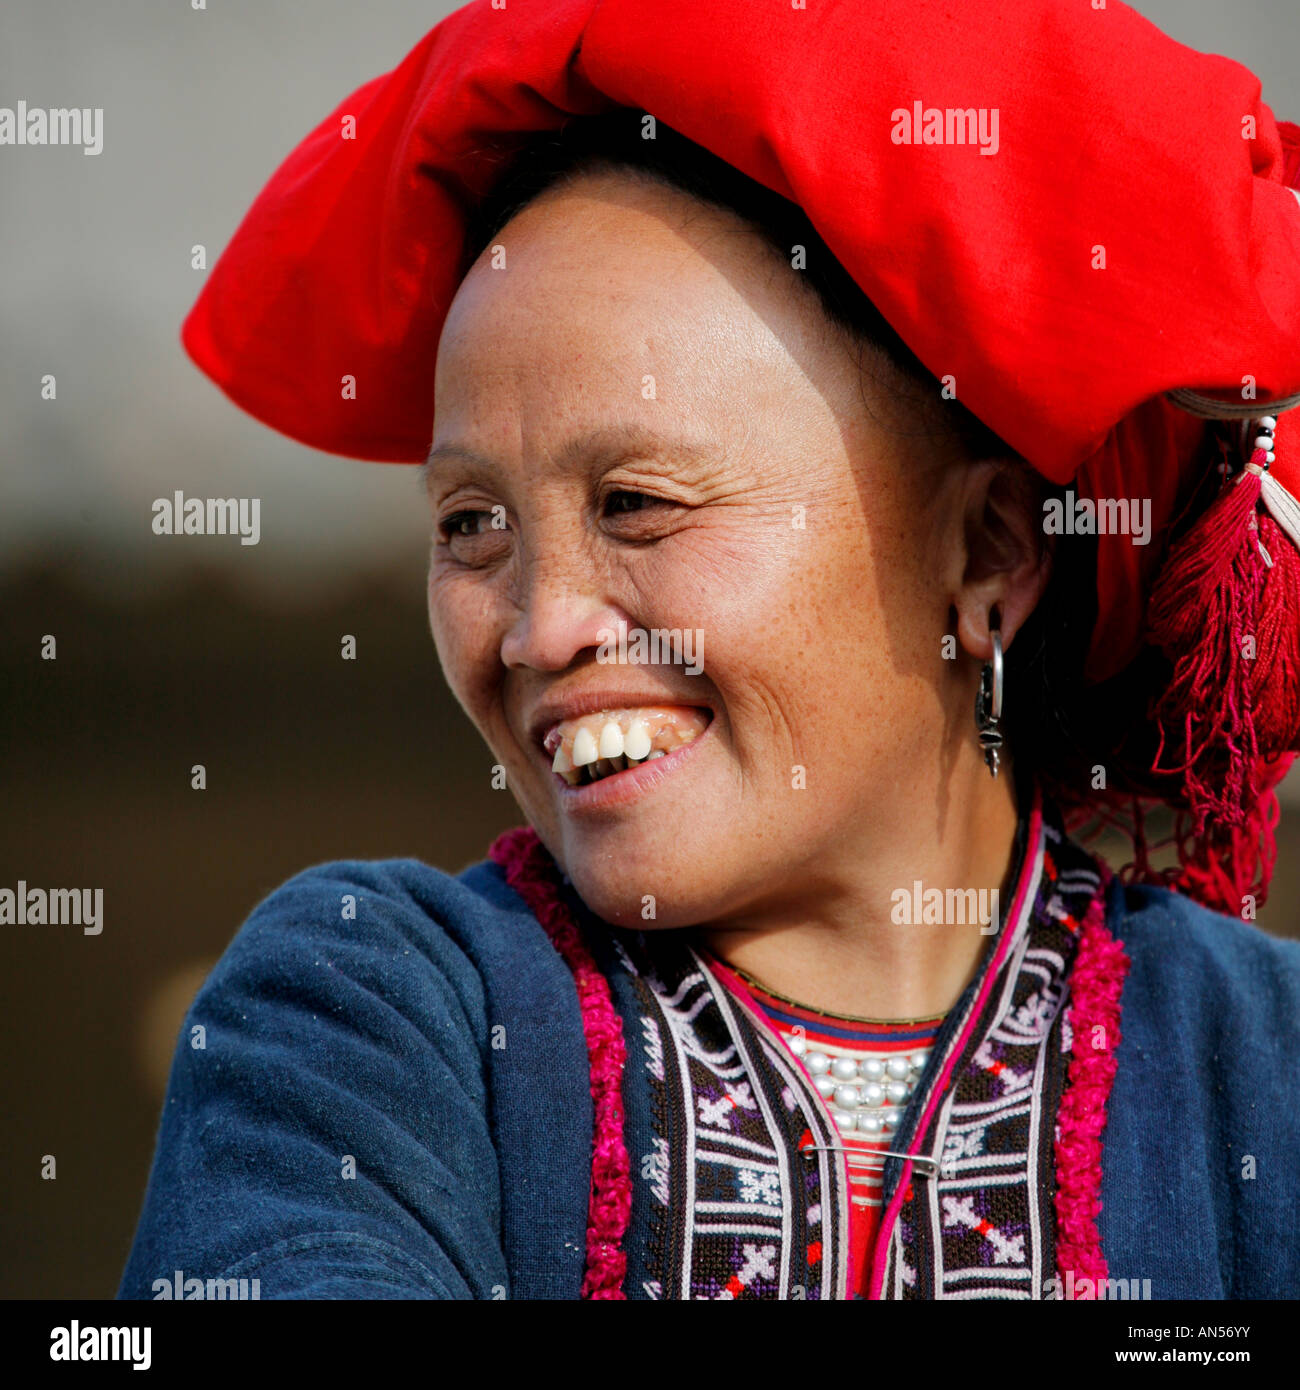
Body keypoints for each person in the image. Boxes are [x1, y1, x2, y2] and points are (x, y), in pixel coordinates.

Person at [119, 0, 1300, 1299]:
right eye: (471, 526)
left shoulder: (1262, 1068)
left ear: (987, 558)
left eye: (636, 502)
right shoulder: (372, 1017)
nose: (539, 624)